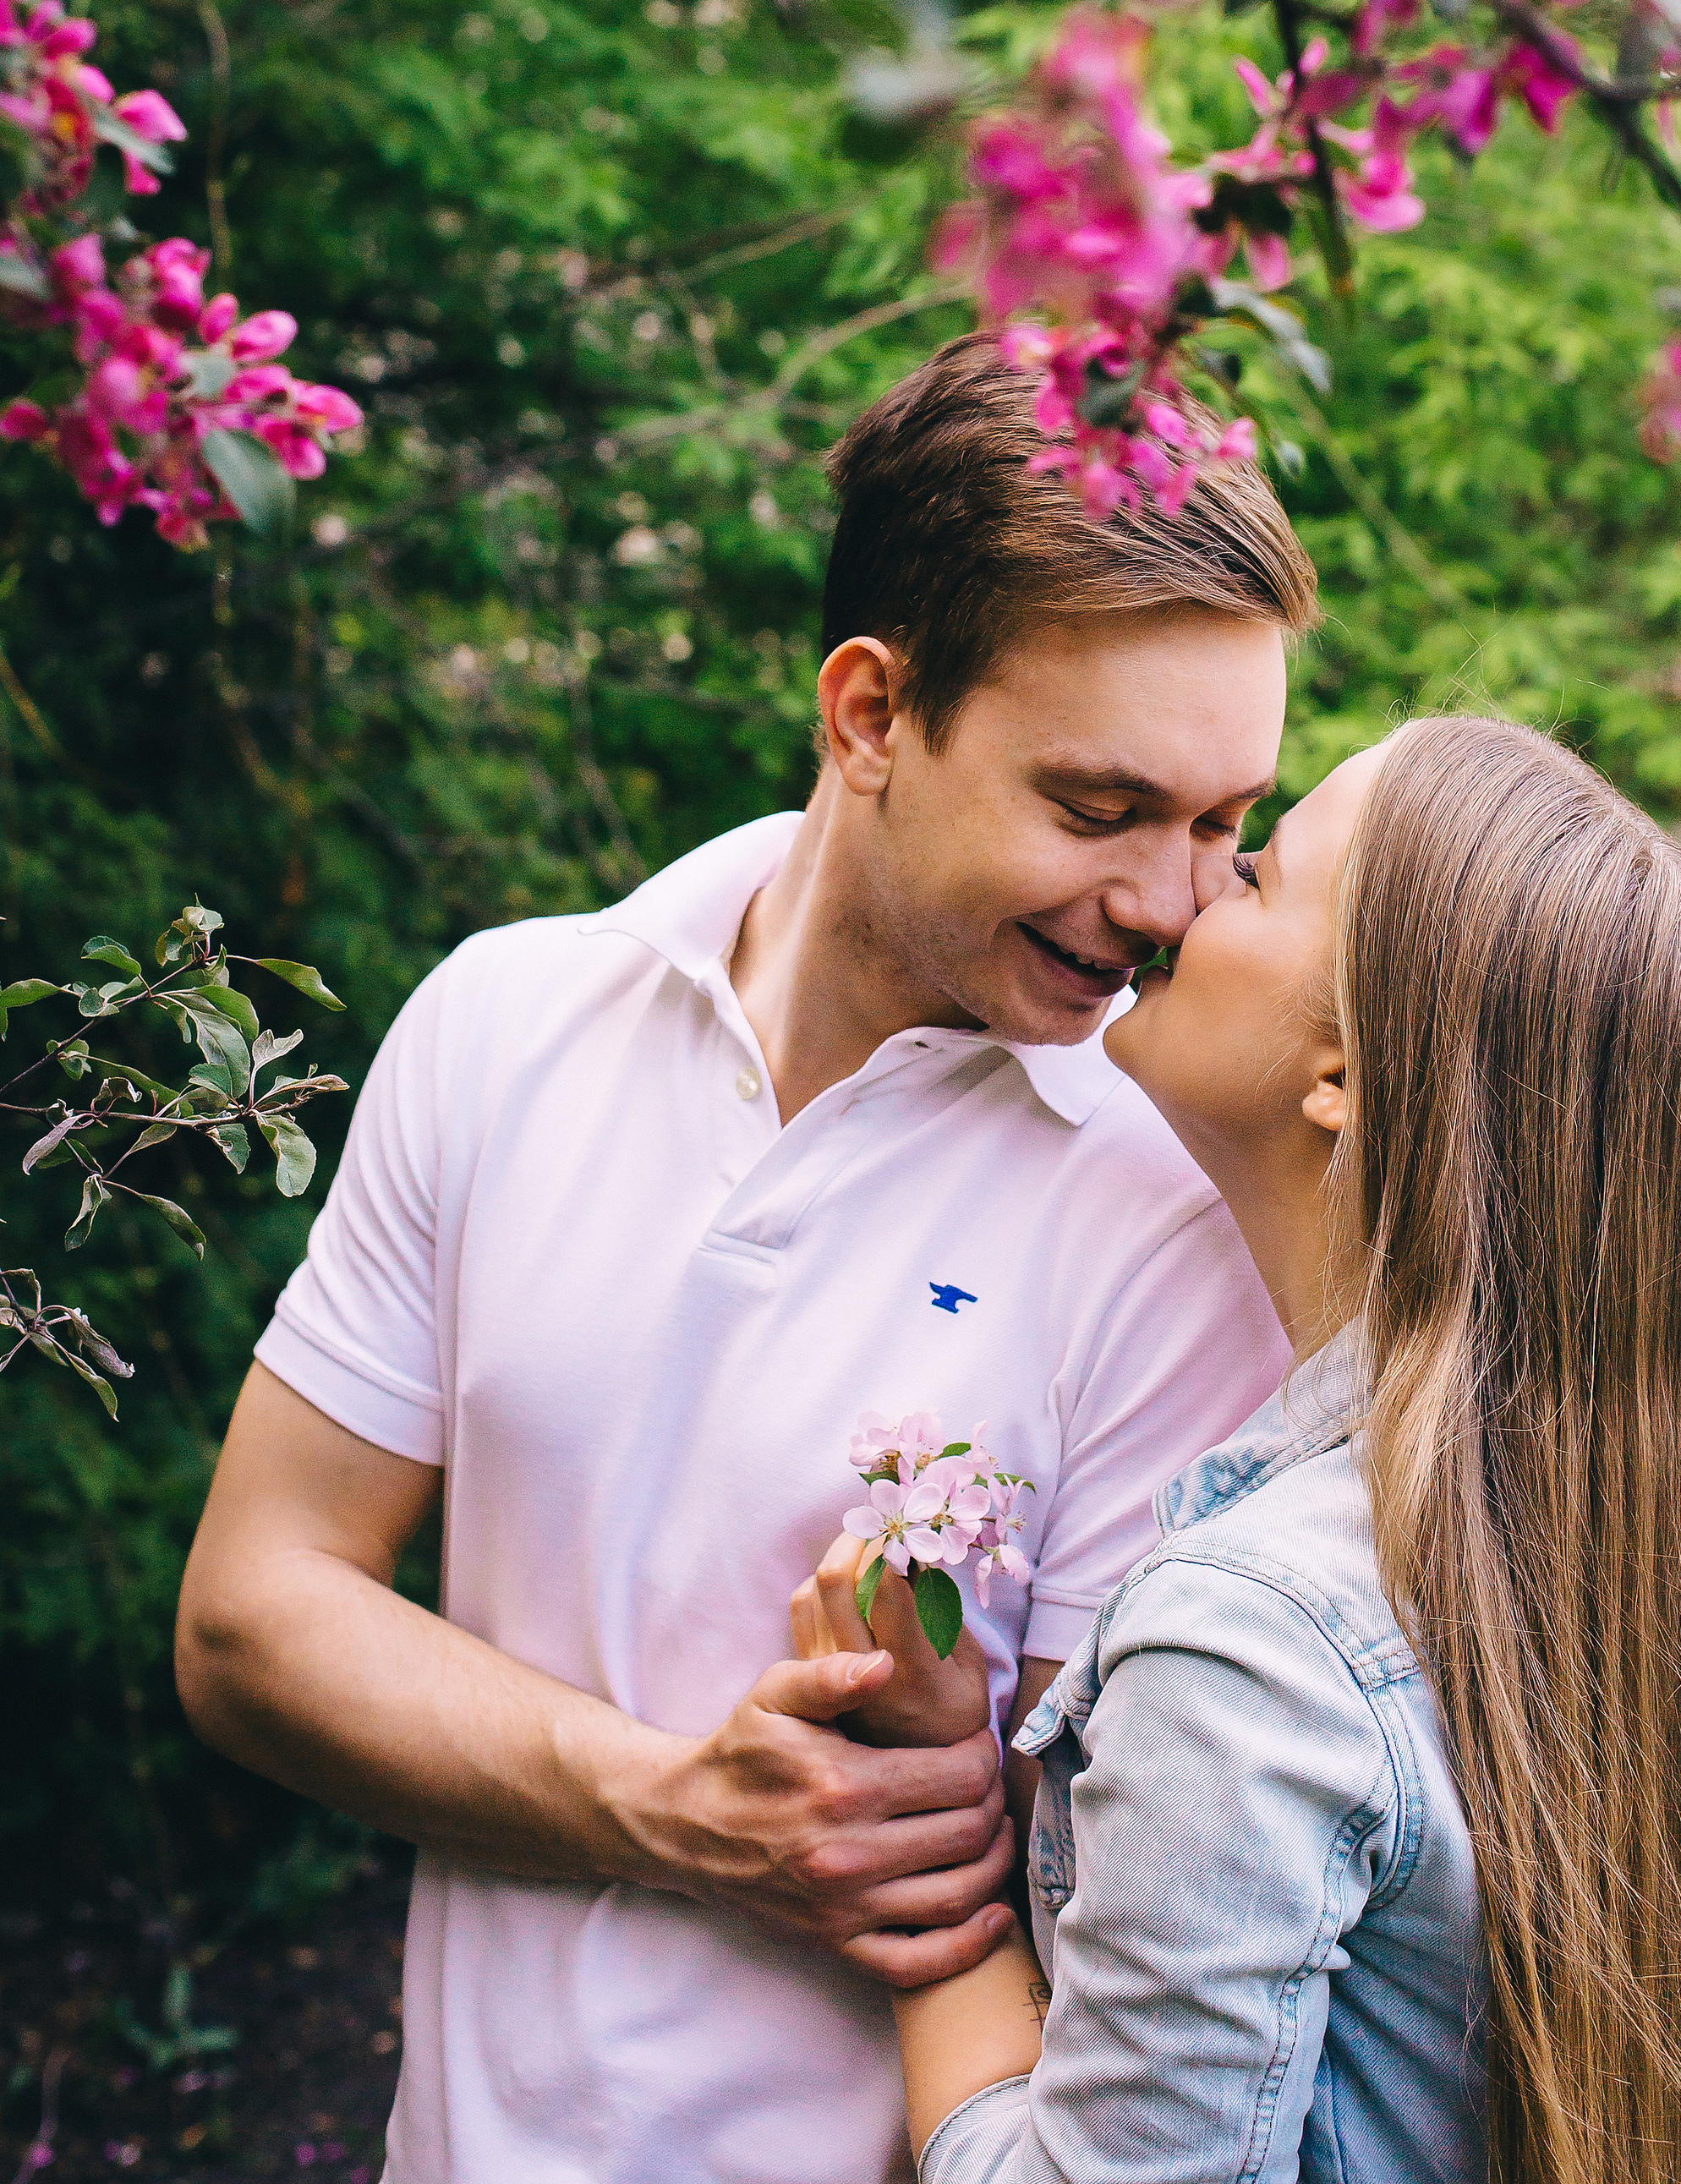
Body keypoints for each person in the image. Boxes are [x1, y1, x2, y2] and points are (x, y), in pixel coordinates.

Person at [173, 336, 1311, 2184]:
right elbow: (251, 1618)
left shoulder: (1178, 1205)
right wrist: (669, 1807)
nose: (1169, 906)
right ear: (869, 716)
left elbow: (1126, 1907)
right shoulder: (503, 1018)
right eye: (1099, 810)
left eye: (1221, 826)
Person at [792, 713, 1681, 2184]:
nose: (1184, 898)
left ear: (1344, 1077)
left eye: (1264, 873)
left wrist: (935, 1829)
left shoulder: (1252, 1642)